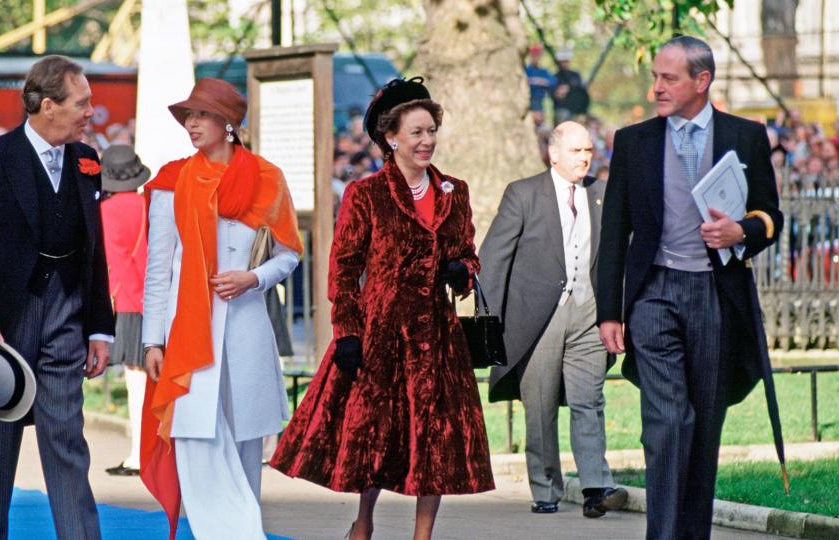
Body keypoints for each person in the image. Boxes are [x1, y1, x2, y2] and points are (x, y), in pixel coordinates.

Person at [270, 77, 495, 540]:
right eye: (416, 132)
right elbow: (344, 269)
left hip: (436, 333)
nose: (427, 140)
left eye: (431, 130)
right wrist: (347, 331)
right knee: (378, 433)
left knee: (435, 440)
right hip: (381, 332)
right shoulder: (365, 193)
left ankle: (422, 534)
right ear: (391, 138)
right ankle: (364, 520)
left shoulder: (456, 190)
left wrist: (462, 269)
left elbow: (468, 252)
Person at [596, 36, 783, 540]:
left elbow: (772, 215)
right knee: (668, 423)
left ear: (702, 81)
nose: (656, 86)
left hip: (714, 296)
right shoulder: (632, 140)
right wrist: (609, 312)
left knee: (704, 425)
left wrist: (740, 231)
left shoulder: (746, 135)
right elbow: (614, 229)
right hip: (653, 291)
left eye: (668, 78)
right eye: (655, 76)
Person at [0, 55, 113, 540]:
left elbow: (94, 249)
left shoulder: (88, 161)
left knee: (66, 437)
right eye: (81, 103)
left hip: (67, 314)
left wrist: (100, 327)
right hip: (3, 322)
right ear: (46, 106)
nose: (89, 112)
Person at [139, 78, 302, 540]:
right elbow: (159, 269)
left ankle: (243, 528)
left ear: (228, 123)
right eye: (187, 116)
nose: (191, 123)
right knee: (194, 436)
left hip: (247, 326)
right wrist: (153, 339)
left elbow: (288, 254)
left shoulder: (267, 178)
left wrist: (255, 278)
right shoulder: (171, 182)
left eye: (201, 115)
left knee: (248, 445)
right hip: (188, 331)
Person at [479, 121, 627, 518]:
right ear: (554, 153)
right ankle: (546, 488)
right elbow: (494, 258)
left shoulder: (601, 193)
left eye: (589, 152)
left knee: (589, 401)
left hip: (589, 313)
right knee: (540, 406)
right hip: (536, 317)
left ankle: (596, 486)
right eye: (576, 151)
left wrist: (617, 311)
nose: (584, 159)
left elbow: (615, 256)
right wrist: (488, 320)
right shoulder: (523, 194)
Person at [98, 144, 151, 477]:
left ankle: (138, 454)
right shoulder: (149, 205)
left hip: (126, 301)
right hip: (156, 300)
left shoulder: (103, 211)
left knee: (137, 382)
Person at [525, 43, 556, 125]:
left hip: (539, 101)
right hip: (527, 100)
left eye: (538, 56)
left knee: (540, 121)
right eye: (534, 55)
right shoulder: (526, 70)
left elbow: (553, 81)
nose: (536, 58)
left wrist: (542, 81)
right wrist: (531, 80)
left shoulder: (543, 71)